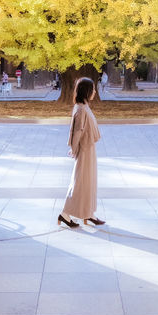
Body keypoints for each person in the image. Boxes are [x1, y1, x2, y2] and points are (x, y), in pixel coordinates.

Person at [58, 77, 106, 229]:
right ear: (87, 91)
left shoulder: (84, 106)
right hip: (84, 150)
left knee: (88, 181)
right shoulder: (81, 109)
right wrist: (74, 149)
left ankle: (88, 213)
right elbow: (76, 131)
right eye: (93, 89)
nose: (95, 92)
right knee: (80, 182)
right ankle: (65, 214)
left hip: (88, 149)